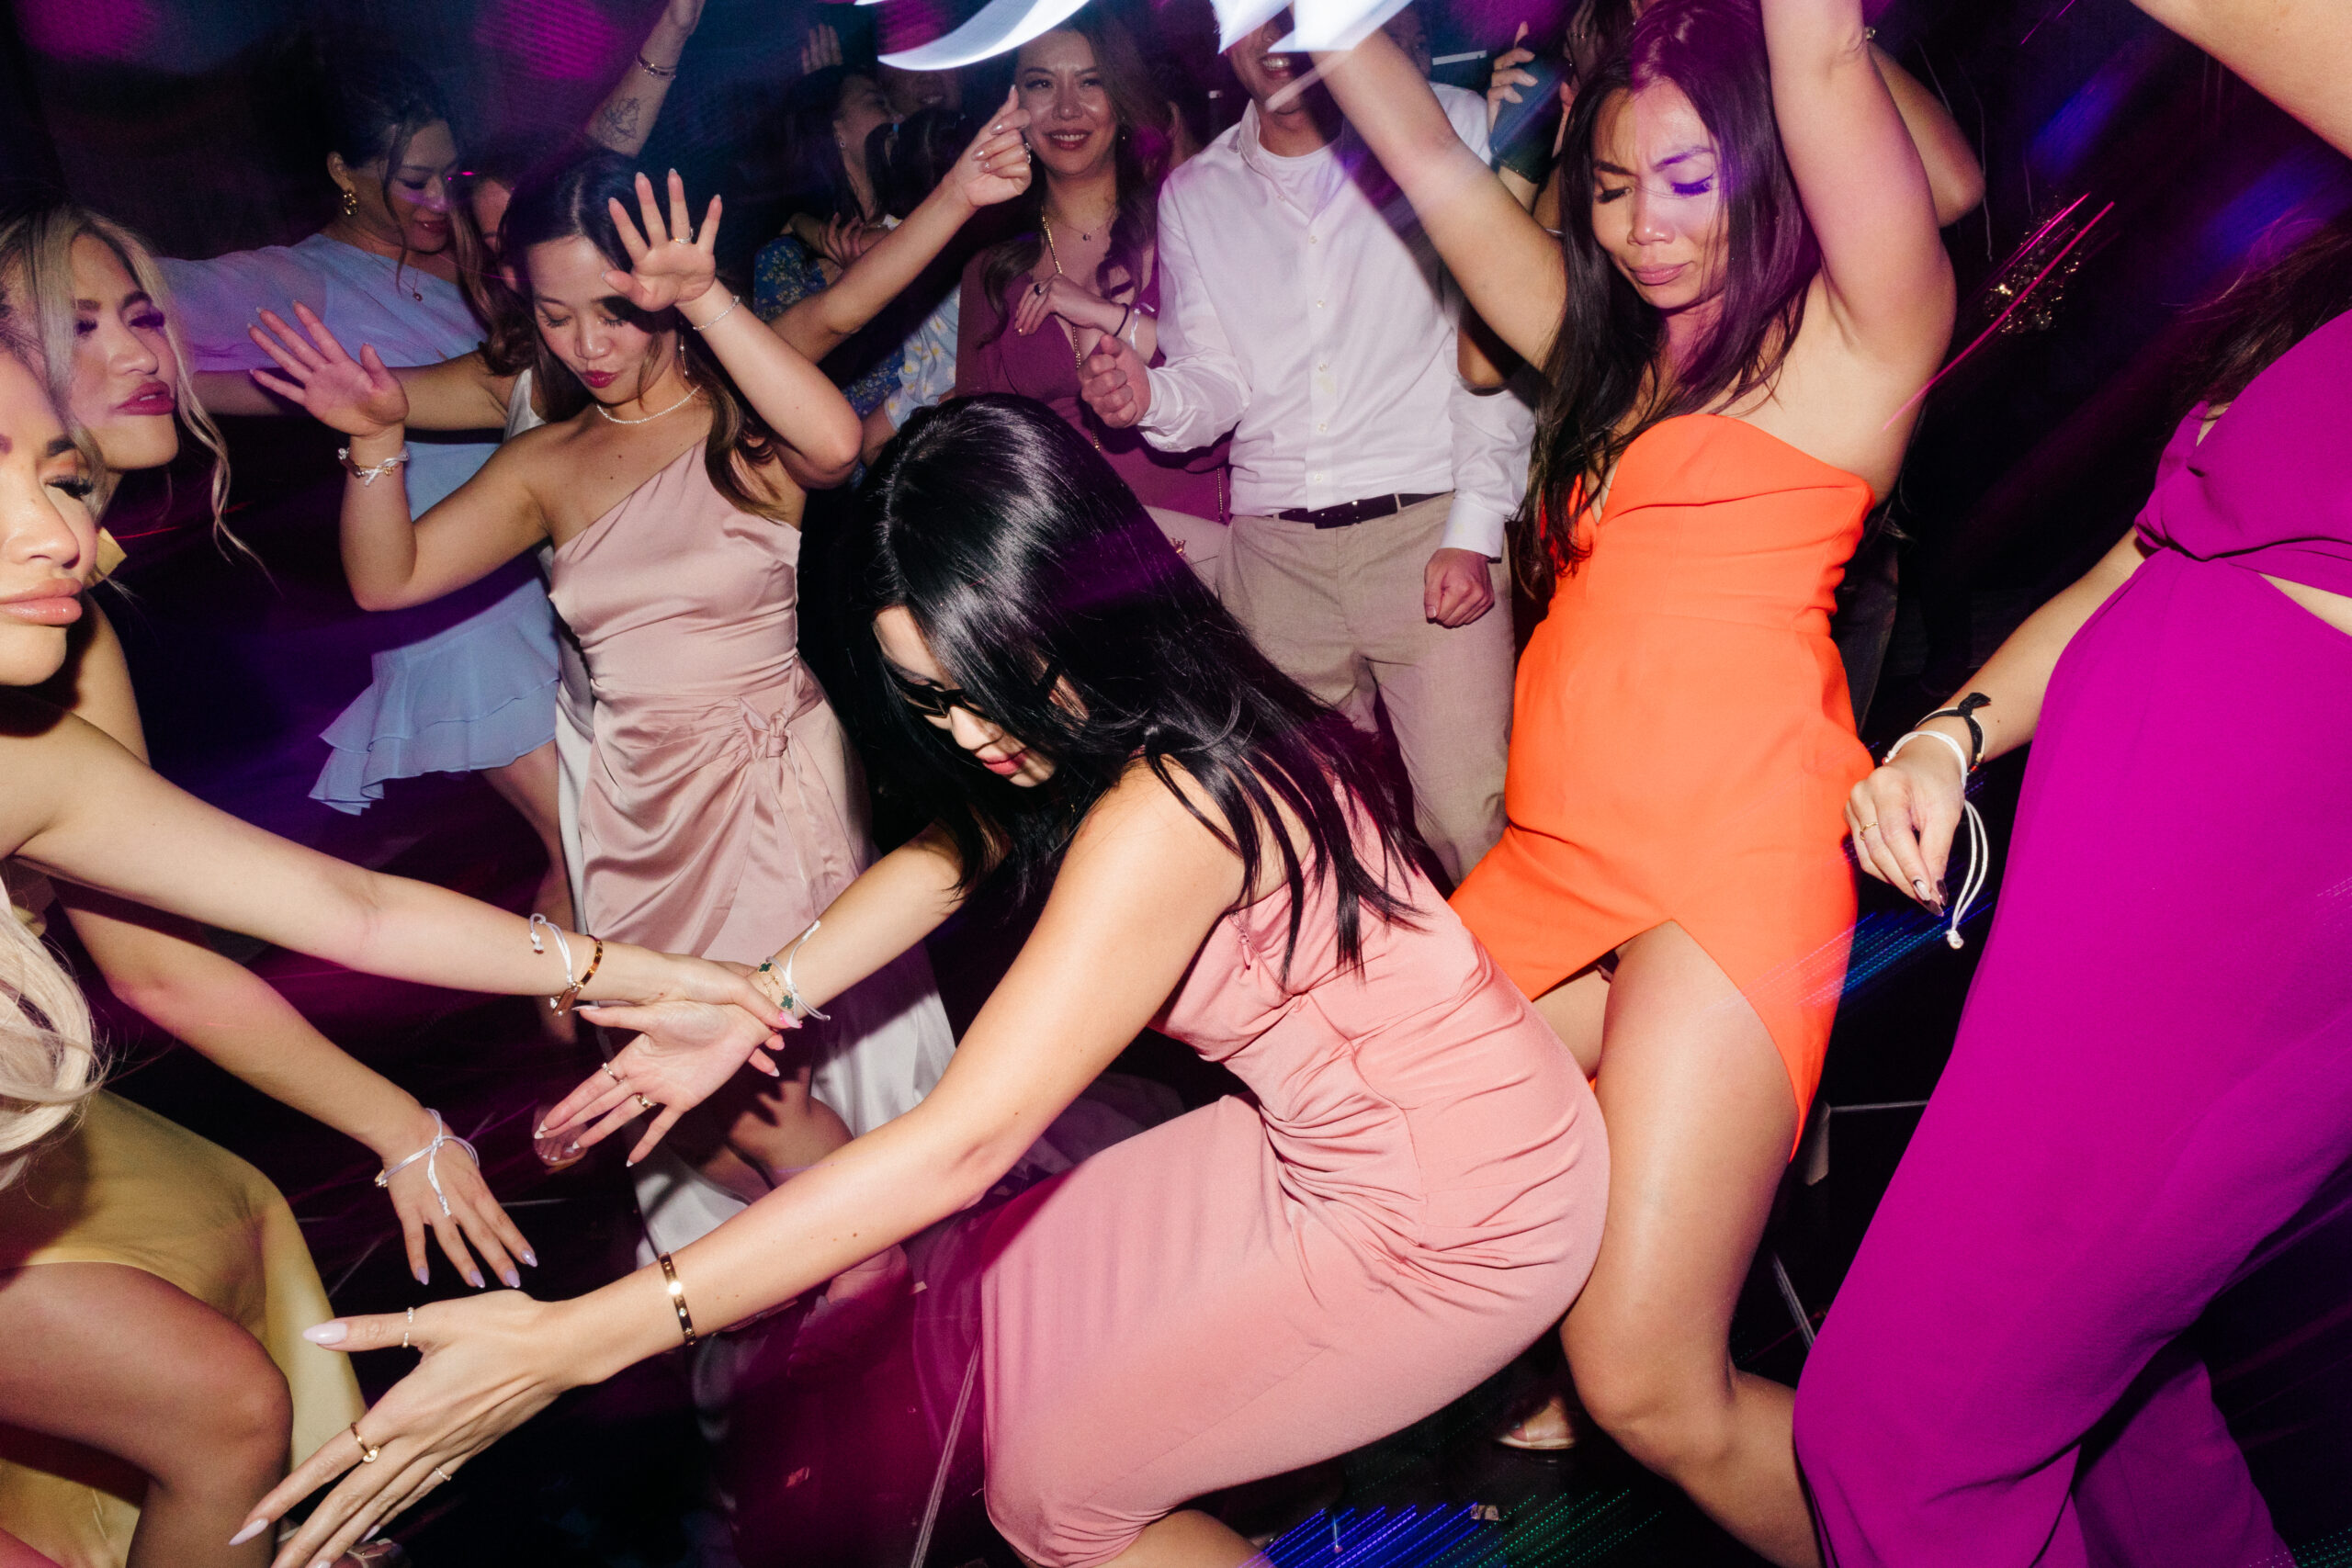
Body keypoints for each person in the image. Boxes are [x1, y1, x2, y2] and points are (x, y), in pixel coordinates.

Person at [236, 393, 1609, 1568]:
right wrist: (755, 1000)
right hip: (1361, 1128)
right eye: (932, 701)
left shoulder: (1169, 807)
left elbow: (959, 1141)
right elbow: (958, 848)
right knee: (1003, 1305)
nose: (973, 735)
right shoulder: (1150, 699)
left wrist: (573, 1339)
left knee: (1052, 1496)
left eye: (986, 685)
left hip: (1454, 1201)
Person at [1306, 0, 1954, 1561]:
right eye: (1609, 186)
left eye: (1685, 179)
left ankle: (1934, 1540)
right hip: (1560, 855)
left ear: (1761, 169)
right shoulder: (1606, 353)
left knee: (1651, 1384)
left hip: (1730, 859)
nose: (1646, 226)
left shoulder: (1862, 339)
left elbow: (1814, 57)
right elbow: (1423, 155)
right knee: (1352, 1112)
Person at [0, 338, 781, 1568]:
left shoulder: (25, 761)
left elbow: (349, 906)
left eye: (55, 480)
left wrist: (658, 973)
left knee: (233, 1397)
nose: (56, 533)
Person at [1794, 3, 2352, 1562]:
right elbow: (2160, 547)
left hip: (2248, 924)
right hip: (2112, 910)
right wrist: (1950, 731)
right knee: (2121, 1418)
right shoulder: (2328, 309)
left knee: (1893, 1444)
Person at [244, 155, 1024, 1252]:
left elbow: (837, 445)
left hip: (764, 796)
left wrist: (707, 295)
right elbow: (390, 580)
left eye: (612, 310)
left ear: (657, 290)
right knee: (660, 1070)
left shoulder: (738, 416)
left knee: (755, 1086)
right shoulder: (547, 460)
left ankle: (884, 1278)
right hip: (626, 805)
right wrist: (374, 447)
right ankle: (859, 1258)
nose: (587, 345)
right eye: (556, 317)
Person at [1079, 13, 1537, 886]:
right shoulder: (1196, 193)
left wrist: (1476, 527)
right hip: (1274, 558)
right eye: (1251, 13)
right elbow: (1215, 377)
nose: (1275, 33)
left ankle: (1519, 1017)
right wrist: (1149, 396)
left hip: (1427, 526)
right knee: (1312, 844)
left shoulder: (1454, 126)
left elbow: (1496, 345)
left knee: (1472, 826)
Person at [156, 44, 570, 962]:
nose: (435, 200)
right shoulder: (294, 279)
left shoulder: (471, 257)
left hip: (530, 584)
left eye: (446, 176)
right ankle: (602, 1034)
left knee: (588, 844)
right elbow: (144, 302)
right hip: (449, 611)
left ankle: (594, 1030)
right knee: (583, 837)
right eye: (410, 180)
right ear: (344, 174)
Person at [956, 15, 1232, 587]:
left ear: (1122, 99)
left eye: (1090, 82)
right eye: (1040, 84)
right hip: (1073, 582)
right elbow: (986, 460)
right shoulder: (989, 273)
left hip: (1210, 560)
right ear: (1014, 108)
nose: (1064, 109)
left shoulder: (1187, 225)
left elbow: (1251, 400)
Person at [748, 65, 910, 415]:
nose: (896, 115)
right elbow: (785, 394)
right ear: (836, 131)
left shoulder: (920, 219)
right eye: (877, 103)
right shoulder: (785, 259)